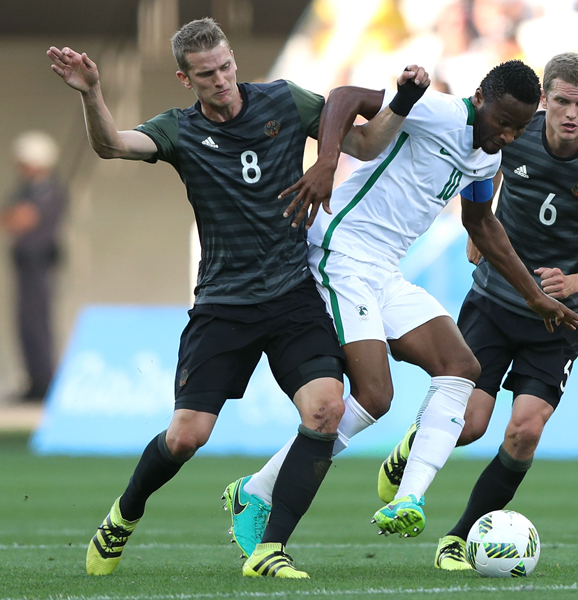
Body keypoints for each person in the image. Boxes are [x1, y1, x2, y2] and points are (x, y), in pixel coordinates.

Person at [48, 17, 430, 579]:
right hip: (223, 304)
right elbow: (112, 146)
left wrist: (403, 98)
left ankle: (269, 549)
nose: (222, 80)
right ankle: (122, 516)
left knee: (325, 410)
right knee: (186, 438)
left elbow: (367, 143)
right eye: (207, 74)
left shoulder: (284, 101)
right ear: (186, 78)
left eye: (226, 67)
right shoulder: (178, 130)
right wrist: (94, 93)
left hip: (291, 294)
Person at [223, 59, 578, 558]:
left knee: (462, 367)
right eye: (502, 121)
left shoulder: (485, 159)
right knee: (375, 396)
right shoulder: (437, 111)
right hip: (341, 252)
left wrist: (534, 295)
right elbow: (345, 96)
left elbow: (482, 225)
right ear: (480, 98)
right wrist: (327, 162)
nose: (507, 134)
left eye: (519, 127)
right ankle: (258, 492)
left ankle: (408, 498)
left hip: (385, 271)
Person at [378, 52, 578, 570]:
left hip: (556, 321)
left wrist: (576, 282)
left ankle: (456, 539)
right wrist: (479, 229)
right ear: (545, 97)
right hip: (494, 302)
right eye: (561, 101)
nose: (570, 113)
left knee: (524, 431)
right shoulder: (515, 131)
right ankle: (417, 443)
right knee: (472, 424)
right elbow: (483, 162)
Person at [1, 131, 68, 402]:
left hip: (40, 267)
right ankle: (34, 380)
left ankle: (44, 382)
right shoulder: (25, 192)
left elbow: (22, 220)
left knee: (38, 324)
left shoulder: (51, 191)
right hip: (24, 266)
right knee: (25, 325)